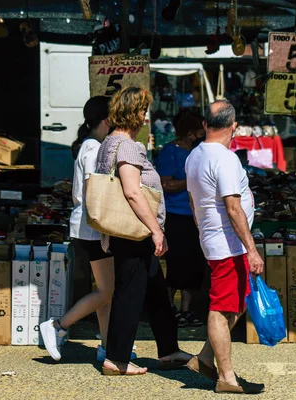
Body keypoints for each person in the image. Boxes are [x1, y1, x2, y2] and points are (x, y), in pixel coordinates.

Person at [95, 87, 192, 375]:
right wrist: (156, 230)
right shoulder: (126, 146)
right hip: (133, 231)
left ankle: (169, 350)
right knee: (129, 294)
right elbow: (133, 192)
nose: (145, 116)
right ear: (134, 112)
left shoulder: (108, 142)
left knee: (157, 292)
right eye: (143, 110)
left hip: (129, 231)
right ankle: (117, 359)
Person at [40, 96, 136, 363]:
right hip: (93, 228)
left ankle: (106, 345)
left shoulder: (90, 145)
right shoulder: (94, 149)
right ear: (107, 121)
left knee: (107, 289)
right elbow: (96, 190)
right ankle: (58, 326)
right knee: (107, 291)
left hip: (89, 226)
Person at [185, 100, 265, 394]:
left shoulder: (194, 156)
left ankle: (206, 358)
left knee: (237, 302)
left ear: (205, 125)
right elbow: (233, 208)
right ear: (233, 127)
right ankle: (227, 378)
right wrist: (253, 250)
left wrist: (202, 231)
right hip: (228, 245)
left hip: (214, 240)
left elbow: (194, 202)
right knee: (220, 308)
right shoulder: (226, 159)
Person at [156, 109, 206, 328]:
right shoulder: (170, 152)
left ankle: (186, 310)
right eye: (198, 132)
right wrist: (192, 182)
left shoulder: (197, 152)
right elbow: (165, 183)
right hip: (175, 216)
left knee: (193, 264)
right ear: (189, 133)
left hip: (196, 217)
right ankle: (168, 309)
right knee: (176, 264)